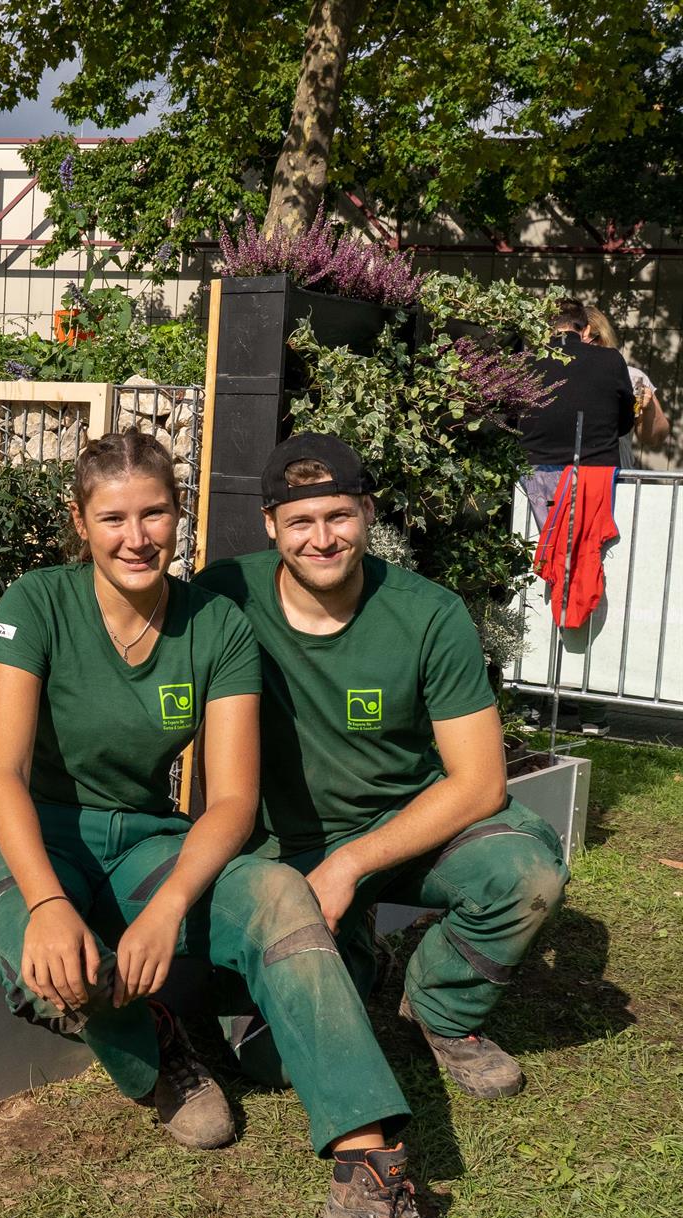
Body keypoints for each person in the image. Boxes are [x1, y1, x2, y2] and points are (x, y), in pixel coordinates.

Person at [0, 431, 478, 1218]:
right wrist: (45, 900)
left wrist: (168, 908)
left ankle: (367, 1183)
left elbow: (231, 800)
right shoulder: (36, 602)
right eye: (114, 517)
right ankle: (156, 1040)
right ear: (80, 522)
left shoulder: (217, 625)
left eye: (155, 512)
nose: (137, 536)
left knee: (279, 894)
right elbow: (1, 772)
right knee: (57, 961)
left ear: (179, 515)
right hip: (23, 839)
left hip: (145, 838)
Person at [195, 433, 567, 1108]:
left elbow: (481, 782)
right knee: (272, 1061)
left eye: (339, 516)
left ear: (368, 512)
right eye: (301, 521)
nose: (322, 539)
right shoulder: (225, 596)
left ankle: (442, 1008)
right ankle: (356, 953)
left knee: (526, 875)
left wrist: (350, 866)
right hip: (282, 846)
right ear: (270, 524)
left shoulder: (428, 614)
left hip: (406, 826)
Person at [516, 298, 635, 526]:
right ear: (586, 329)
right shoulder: (611, 360)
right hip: (596, 477)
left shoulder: (526, 362)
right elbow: (625, 424)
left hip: (534, 476)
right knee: (584, 544)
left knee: (542, 543)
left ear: (545, 328)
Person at [583, 305, 670, 461]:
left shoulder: (632, 377)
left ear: (602, 338)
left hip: (615, 471)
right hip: (561, 471)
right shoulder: (555, 376)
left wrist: (649, 408)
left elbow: (656, 437)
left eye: (583, 343)